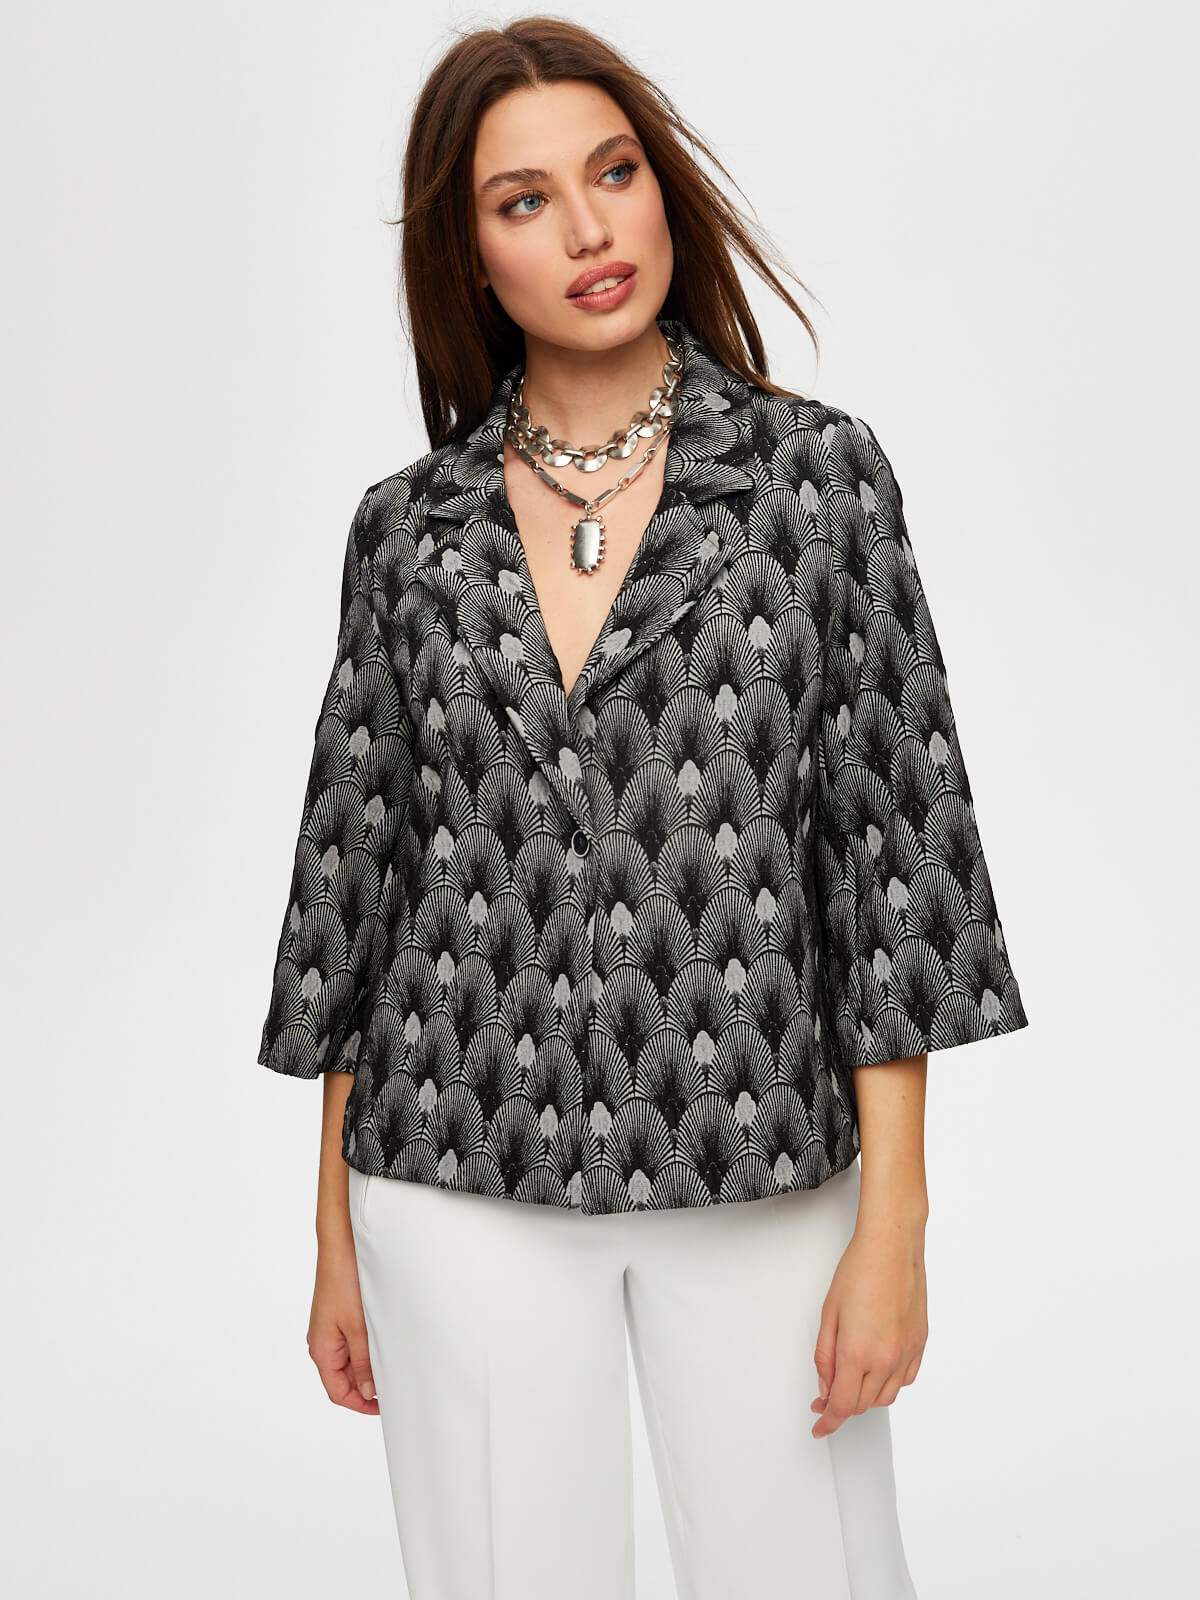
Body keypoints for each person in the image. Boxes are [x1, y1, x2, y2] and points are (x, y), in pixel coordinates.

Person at [255, 16, 1029, 1599]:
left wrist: (894, 1224)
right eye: (524, 200)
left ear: (664, 189)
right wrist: (333, 1229)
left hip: (760, 1149)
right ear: (473, 256)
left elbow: (893, 854)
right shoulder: (407, 531)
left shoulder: (817, 481)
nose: (588, 229)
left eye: (613, 174)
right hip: (452, 1152)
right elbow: (354, 882)